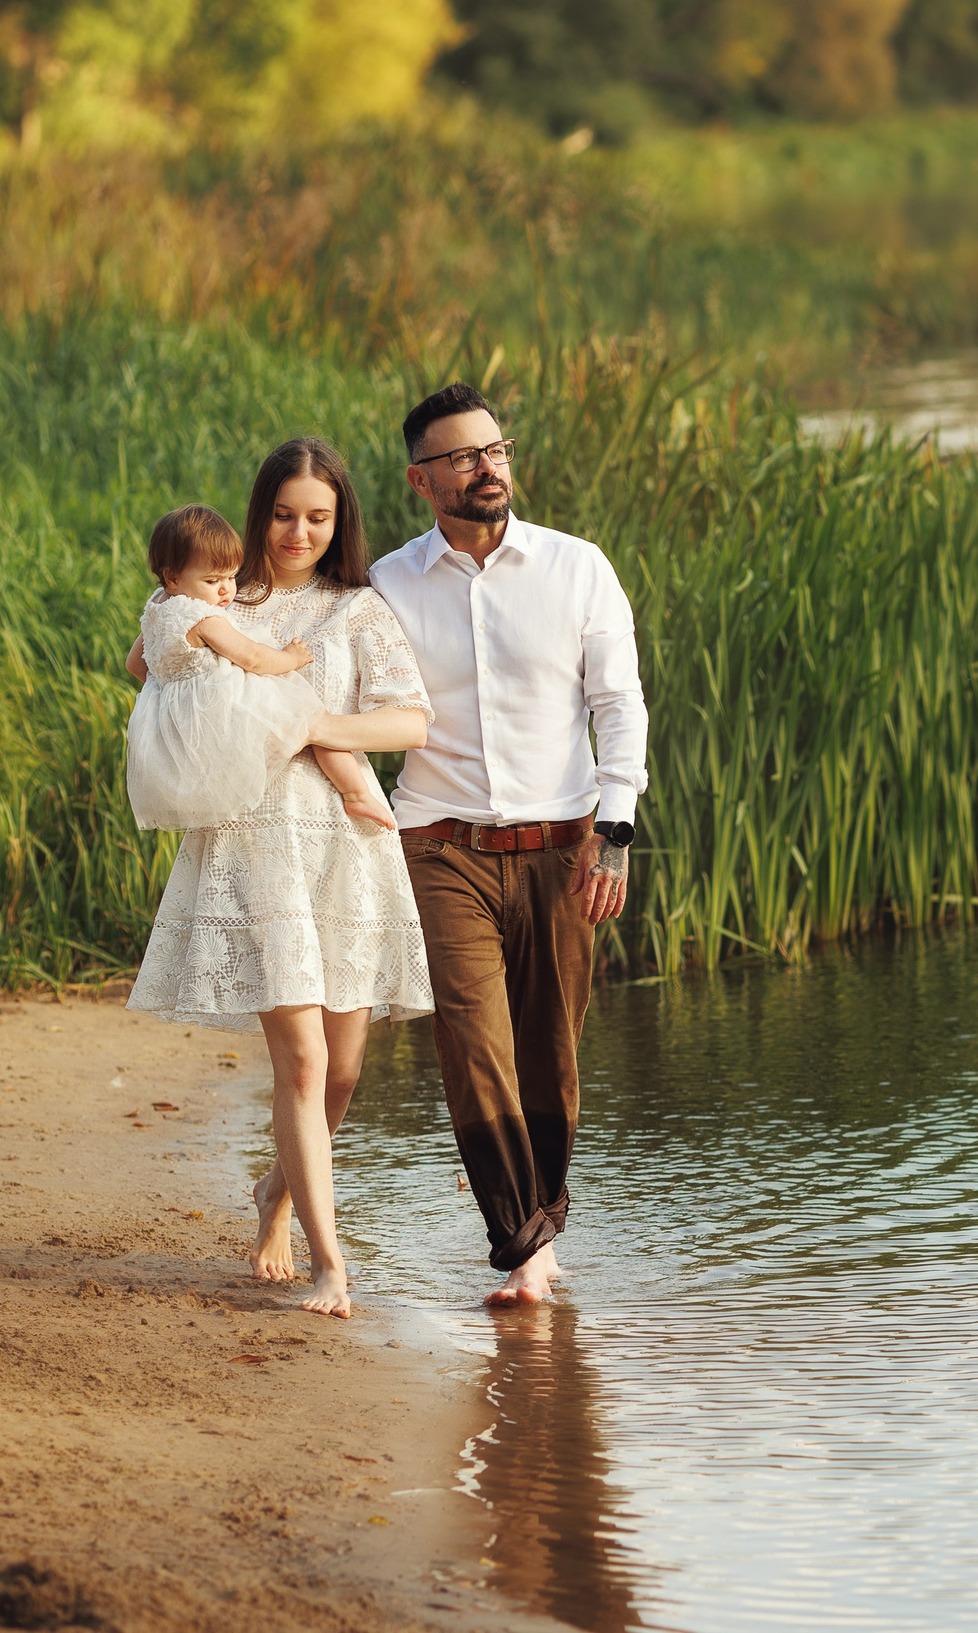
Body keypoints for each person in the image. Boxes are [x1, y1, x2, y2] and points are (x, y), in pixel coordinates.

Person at [125, 439, 435, 1319]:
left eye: (318, 516)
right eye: (284, 512)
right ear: (261, 511)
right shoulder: (216, 592)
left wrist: (312, 725)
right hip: (254, 846)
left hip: (343, 845)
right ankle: (330, 1265)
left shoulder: (357, 610)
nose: (298, 531)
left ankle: (279, 1191)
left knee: (340, 1070)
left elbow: (412, 720)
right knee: (298, 1061)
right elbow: (148, 669)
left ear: (338, 523)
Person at [369, 384, 648, 1307]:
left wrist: (614, 828)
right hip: (439, 846)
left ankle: (544, 1219)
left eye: (497, 449)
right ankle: (521, 1246)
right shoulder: (386, 585)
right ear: (422, 480)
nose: (489, 467)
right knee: (473, 1043)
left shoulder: (578, 569)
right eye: (463, 456)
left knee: (550, 1054)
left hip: (564, 849)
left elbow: (618, 703)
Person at [123, 503, 396, 835]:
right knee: (311, 719)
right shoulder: (201, 615)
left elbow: (136, 663)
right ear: (172, 577)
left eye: (230, 577)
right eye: (212, 580)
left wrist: (178, 683)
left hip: (183, 719)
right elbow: (251, 657)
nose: (226, 589)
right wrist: (291, 658)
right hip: (229, 698)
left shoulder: (158, 607)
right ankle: (356, 793)